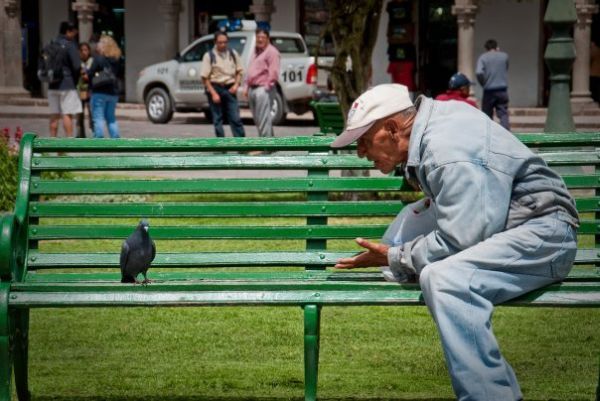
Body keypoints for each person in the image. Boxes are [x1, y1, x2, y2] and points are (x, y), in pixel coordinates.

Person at [330, 84, 578, 401]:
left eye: (364, 141)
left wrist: (396, 257)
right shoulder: (435, 126)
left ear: (392, 129)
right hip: (516, 226)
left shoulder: (445, 150)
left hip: (545, 236)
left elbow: (462, 238)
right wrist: (395, 254)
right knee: (421, 244)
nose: (360, 153)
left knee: (447, 281)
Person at [200, 31, 245, 138]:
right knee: (218, 119)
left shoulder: (233, 53)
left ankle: (241, 144)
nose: (223, 45)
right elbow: (204, 77)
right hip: (215, 88)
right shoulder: (209, 56)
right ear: (215, 42)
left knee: (235, 118)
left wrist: (236, 85)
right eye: (220, 42)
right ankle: (221, 144)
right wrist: (213, 93)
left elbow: (240, 71)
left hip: (230, 88)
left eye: (225, 42)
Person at [243, 28, 280, 140]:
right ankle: (269, 143)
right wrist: (246, 86)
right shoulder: (256, 51)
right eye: (258, 37)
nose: (260, 40)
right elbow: (250, 70)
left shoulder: (272, 52)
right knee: (258, 119)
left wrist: (266, 87)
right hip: (253, 88)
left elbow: (274, 72)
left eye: (263, 37)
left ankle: (266, 144)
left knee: (263, 118)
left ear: (268, 39)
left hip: (263, 88)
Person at [47, 21, 81, 138]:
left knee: (54, 115)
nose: (75, 34)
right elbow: (77, 66)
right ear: (68, 31)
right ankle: (69, 143)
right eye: (74, 32)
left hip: (52, 84)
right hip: (67, 83)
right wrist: (75, 81)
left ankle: (52, 143)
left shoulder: (51, 44)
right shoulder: (69, 45)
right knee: (67, 114)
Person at [87, 35, 121, 139]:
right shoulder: (116, 60)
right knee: (111, 118)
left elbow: (90, 74)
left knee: (98, 117)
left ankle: (99, 140)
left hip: (99, 91)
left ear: (103, 46)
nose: (97, 45)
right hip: (113, 93)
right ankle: (116, 140)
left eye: (100, 43)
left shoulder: (98, 59)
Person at [476, 39, 510, 130]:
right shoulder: (504, 56)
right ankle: (506, 132)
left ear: (486, 48)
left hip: (489, 89)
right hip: (502, 89)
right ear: (496, 47)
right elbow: (506, 68)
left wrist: (483, 83)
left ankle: (488, 131)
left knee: (487, 114)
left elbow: (479, 72)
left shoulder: (483, 57)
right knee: (503, 112)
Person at [76, 42, 94, 138]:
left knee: (92, 113)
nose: (84, 52)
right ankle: (80, 135)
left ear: (89, 51)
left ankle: (94, 134)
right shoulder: (77, 62)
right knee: (79, 114)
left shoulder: (92, 61)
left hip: (90, 90)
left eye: (85, 50)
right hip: (80, 90)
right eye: (82, 50)